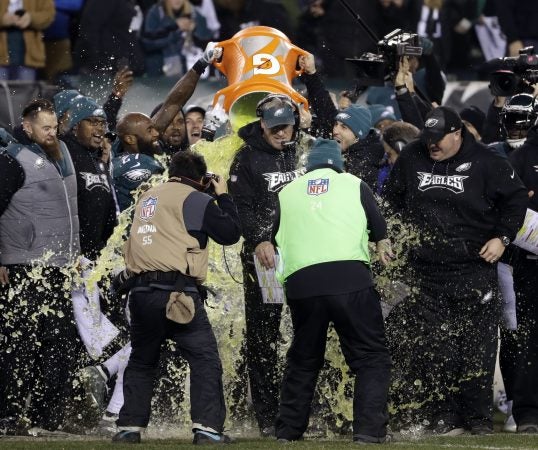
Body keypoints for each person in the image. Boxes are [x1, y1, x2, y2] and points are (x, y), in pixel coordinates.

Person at [384, 106, 528, 434]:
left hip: (474, 269)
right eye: (428, 138)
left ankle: (477, 420)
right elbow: (390, 201)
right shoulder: (411, 158)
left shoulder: (488, 162)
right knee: (434, 348)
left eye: (438, 139)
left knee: (476, 348)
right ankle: (444, 416)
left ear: (457, 133)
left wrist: (502, 238)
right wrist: (387, 237)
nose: (432, 145)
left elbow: (516, 200)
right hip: (425, 272)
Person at [264, 138, 393, 444]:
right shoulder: (353, 183)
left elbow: (273, 242)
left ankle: (288, 431)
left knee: (304, 359)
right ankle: (368, 432)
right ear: (339, 163)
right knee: (371, 357)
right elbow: (380, 228)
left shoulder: (287, 192)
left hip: (301, 284)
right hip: (349, 279)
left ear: (308, 165)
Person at [112, 150, 241, 444]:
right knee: (205, 359)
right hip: (177, 293)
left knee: (143, 360)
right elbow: (231, 232)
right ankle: (207, 429)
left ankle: (129, 428)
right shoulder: (196, 198)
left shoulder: (147, 197)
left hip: (141, 292)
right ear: (200, 177)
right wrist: (222, 196)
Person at [0, 98, 80, 434]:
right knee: (18, 344)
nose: (51, 133)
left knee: (59, 344)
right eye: (44, 128)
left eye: (54, 127)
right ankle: (9, 414)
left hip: (61, 266)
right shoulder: (11, 159)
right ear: (27, 126)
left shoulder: (63, 151)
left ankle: (48, 417)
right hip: (22, 266)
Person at [227, 93, 302, 436]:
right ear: (262, 125)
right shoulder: (246, 159)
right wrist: (259, 239)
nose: (281, 133)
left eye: (286, 126)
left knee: (308, 329)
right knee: (264, 335)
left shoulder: (302, 152)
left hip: (303, 256)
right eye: (275, 128)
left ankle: (301, 409)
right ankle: (267, 416)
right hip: (266, 261)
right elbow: (241, 207)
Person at [507, 119, 538, 433]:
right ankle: (528, 413)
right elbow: (508, 209)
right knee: (531, 338)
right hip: (532, 262)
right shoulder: (521, 158)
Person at [0, 0, 55, 80]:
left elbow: (49, 14)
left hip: (29, 58)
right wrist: (2, 19)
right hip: (2, 58)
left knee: (25, 90)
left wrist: (31, 18)